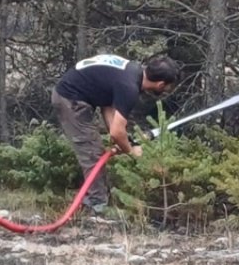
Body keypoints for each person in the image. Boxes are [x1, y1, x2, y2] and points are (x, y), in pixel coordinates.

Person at [51, 53, 180, 214]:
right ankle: (96, 208)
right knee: (92, 153)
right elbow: (116, 132)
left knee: (95, 149)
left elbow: (108, 107)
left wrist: (124, 141)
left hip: (72, 94)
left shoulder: (131, 71)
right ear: (161, 84)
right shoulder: (129, 87)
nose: (167, 90)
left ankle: (97, 201)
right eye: (168, 87)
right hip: (69, 99)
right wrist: (131, 151)